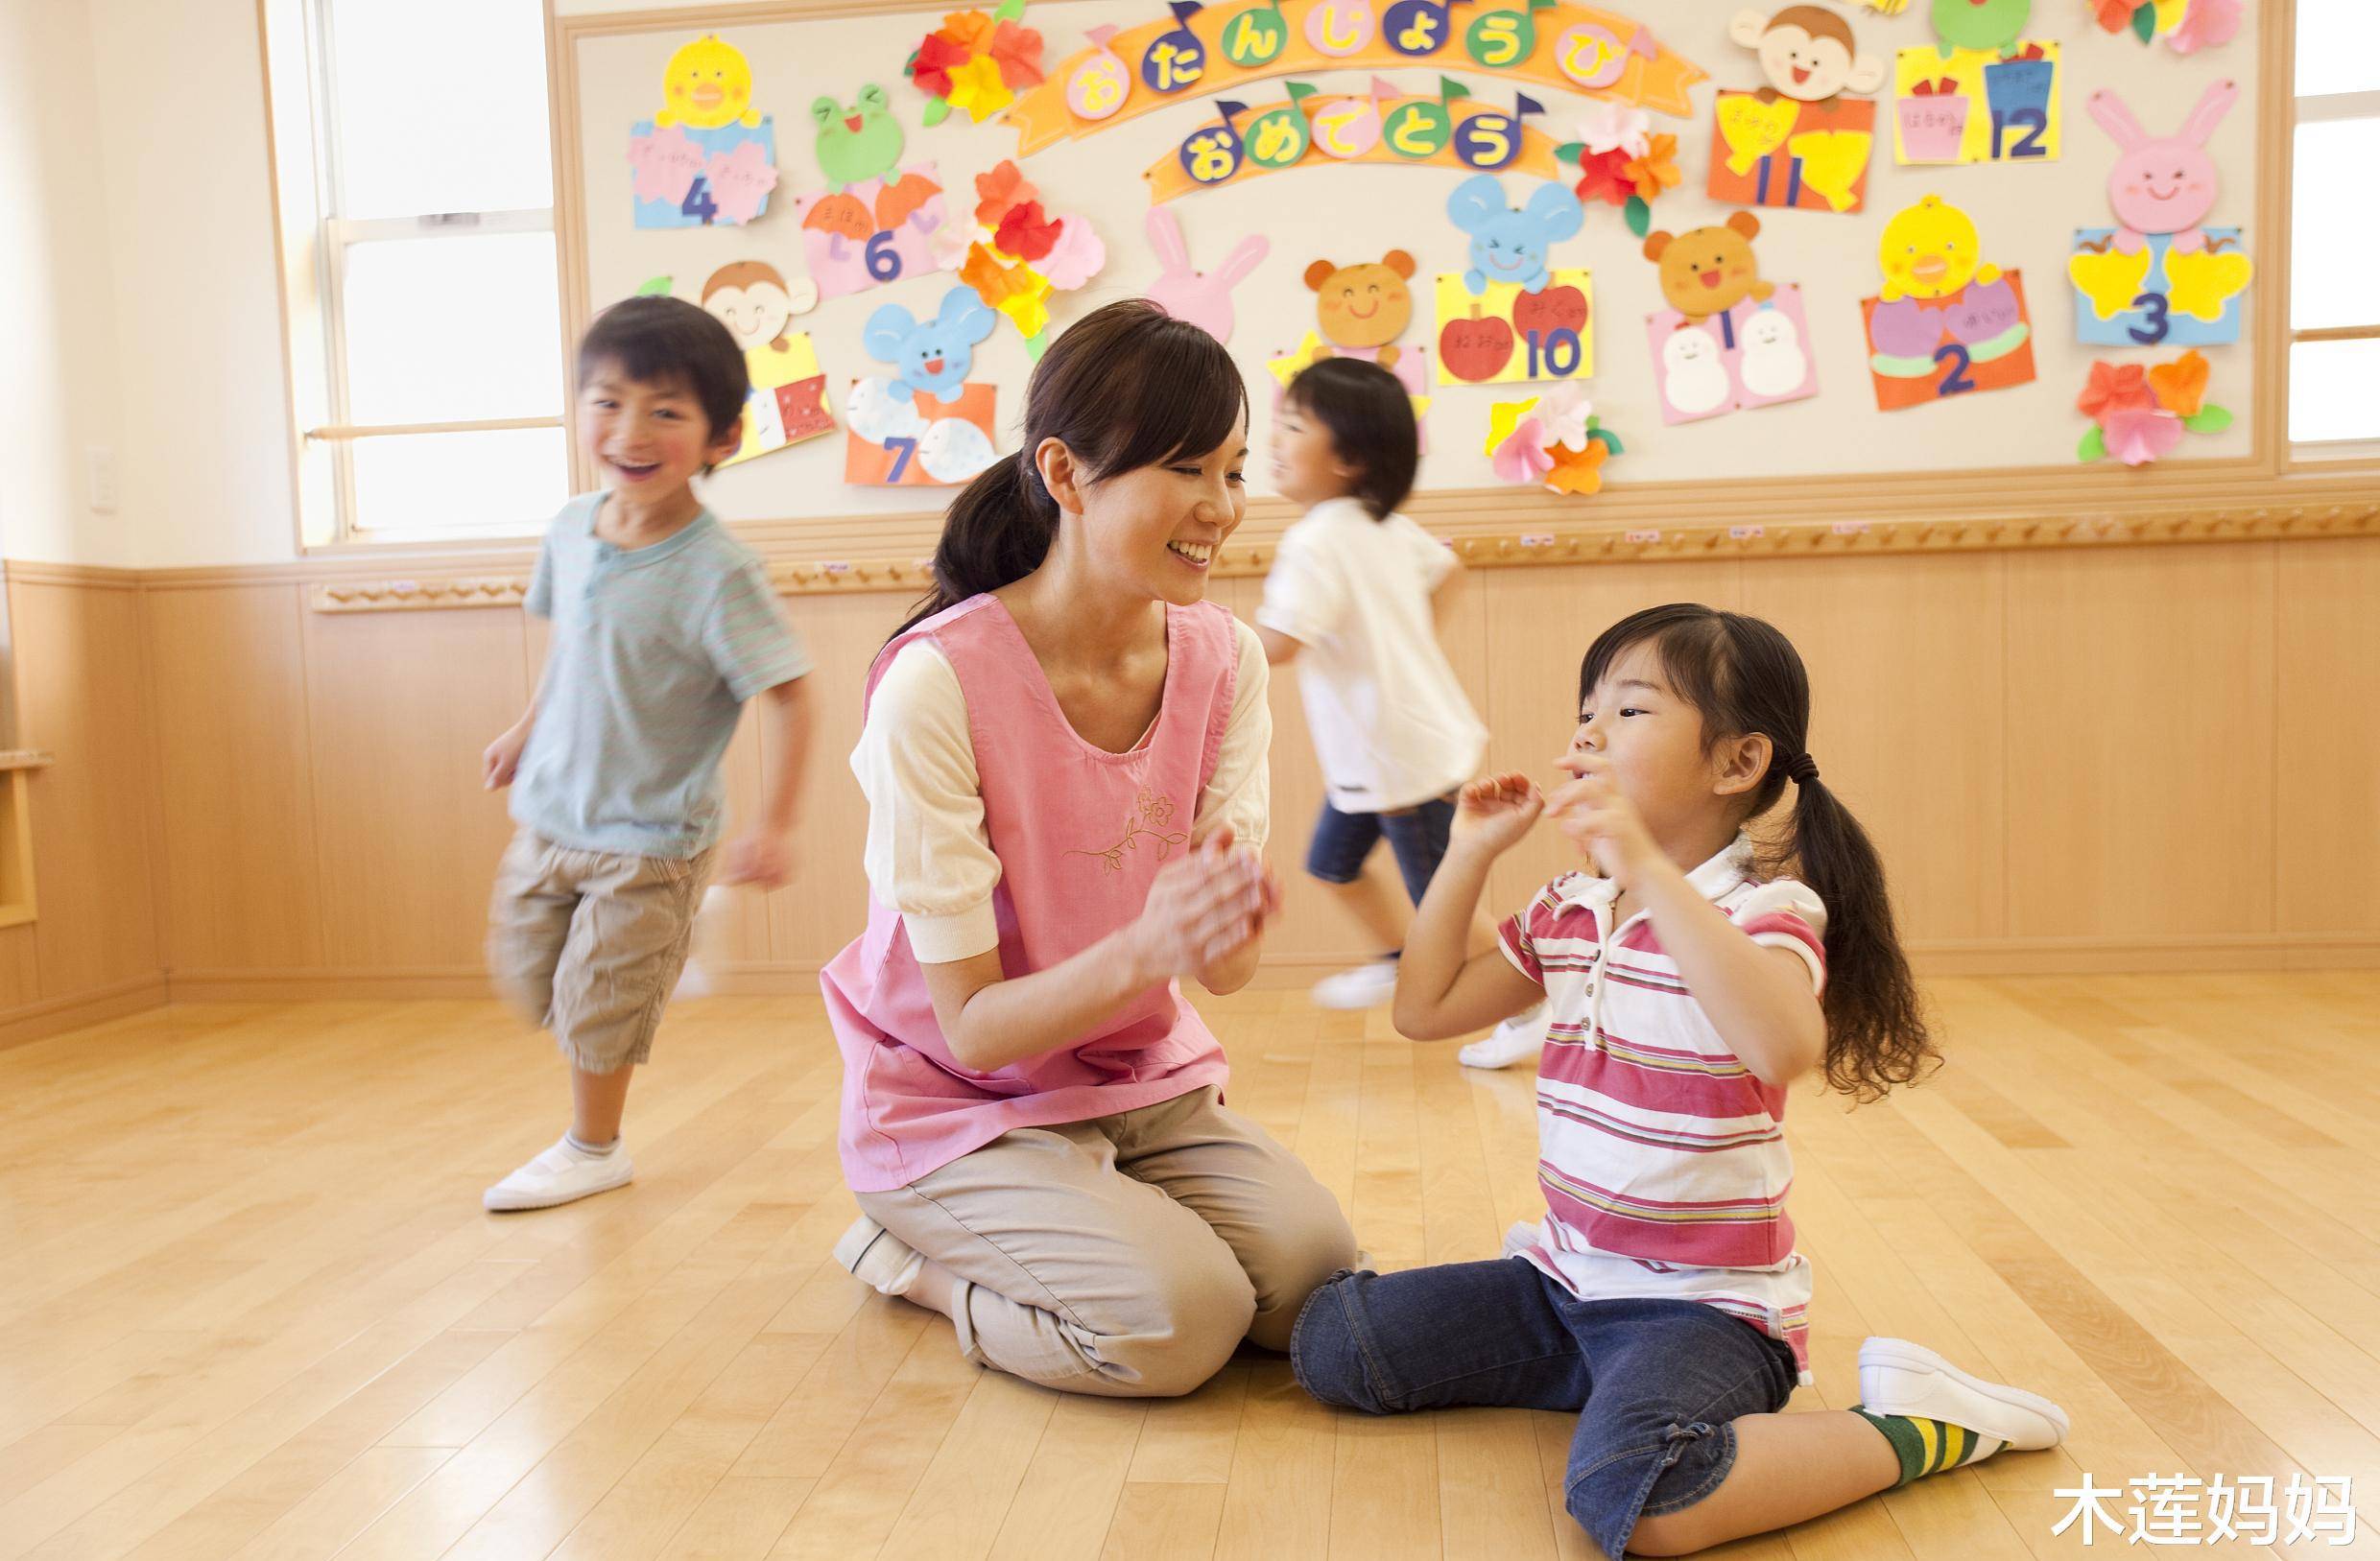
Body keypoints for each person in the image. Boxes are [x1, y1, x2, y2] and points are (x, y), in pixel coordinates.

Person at [1292, 604, 2067, 1555]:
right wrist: (1465, 853)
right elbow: (1424, 1009)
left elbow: (1782, 1045)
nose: (1587, 730)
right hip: (1561, 1279)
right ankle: (1600, 1376)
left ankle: (1915, 1423)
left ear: (1736, 763)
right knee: (1338, 1342)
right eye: (1586, 709)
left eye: (1628, 710)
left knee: (1638, 1495)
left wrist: (1644, 864)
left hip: (1702, 1308)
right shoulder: (1571, 906)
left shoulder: (1764, 911)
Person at [823, 300, 1356, 1398]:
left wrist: (1215, 929)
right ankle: (913, 1261)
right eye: (1184, 471)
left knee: (1312, 1278)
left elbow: (1224, 971)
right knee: (1180, 1323)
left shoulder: (1224, 659)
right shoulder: (937, 684)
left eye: (1234, 470)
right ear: (1063, 473)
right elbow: (970, 1026)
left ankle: (1102, 1205)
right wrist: (1148, 945)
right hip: (954, 1099)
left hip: (1134, 1077)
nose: (1220, 509)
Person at [481, 296, 813, 1212]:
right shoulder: (570, 529)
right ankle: (649, 968)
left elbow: (788, 692)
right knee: (523, 977)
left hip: (652, 836)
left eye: (666, 410)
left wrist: (777, 823)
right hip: (550, 811)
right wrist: (525, 727)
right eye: (609, 400)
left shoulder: (719, 572)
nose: (631, 430)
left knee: (596, 1005)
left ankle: (594, 1145)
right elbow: (574, 650)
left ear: (721, 437)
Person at [1255, 361, 1540, 1067]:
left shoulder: (1317, 538)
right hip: (1387, 748)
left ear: (1350, 459)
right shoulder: (1378, 526)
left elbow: (1281, 643)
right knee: (1331, 863)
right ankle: (1394, 954)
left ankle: (1530, 1005)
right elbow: (1449, 570)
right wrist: (1408, 648)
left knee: (1440, 890)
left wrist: (1195, 642)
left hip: (1398, 757)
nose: (1274, 438)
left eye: (1294, 426)